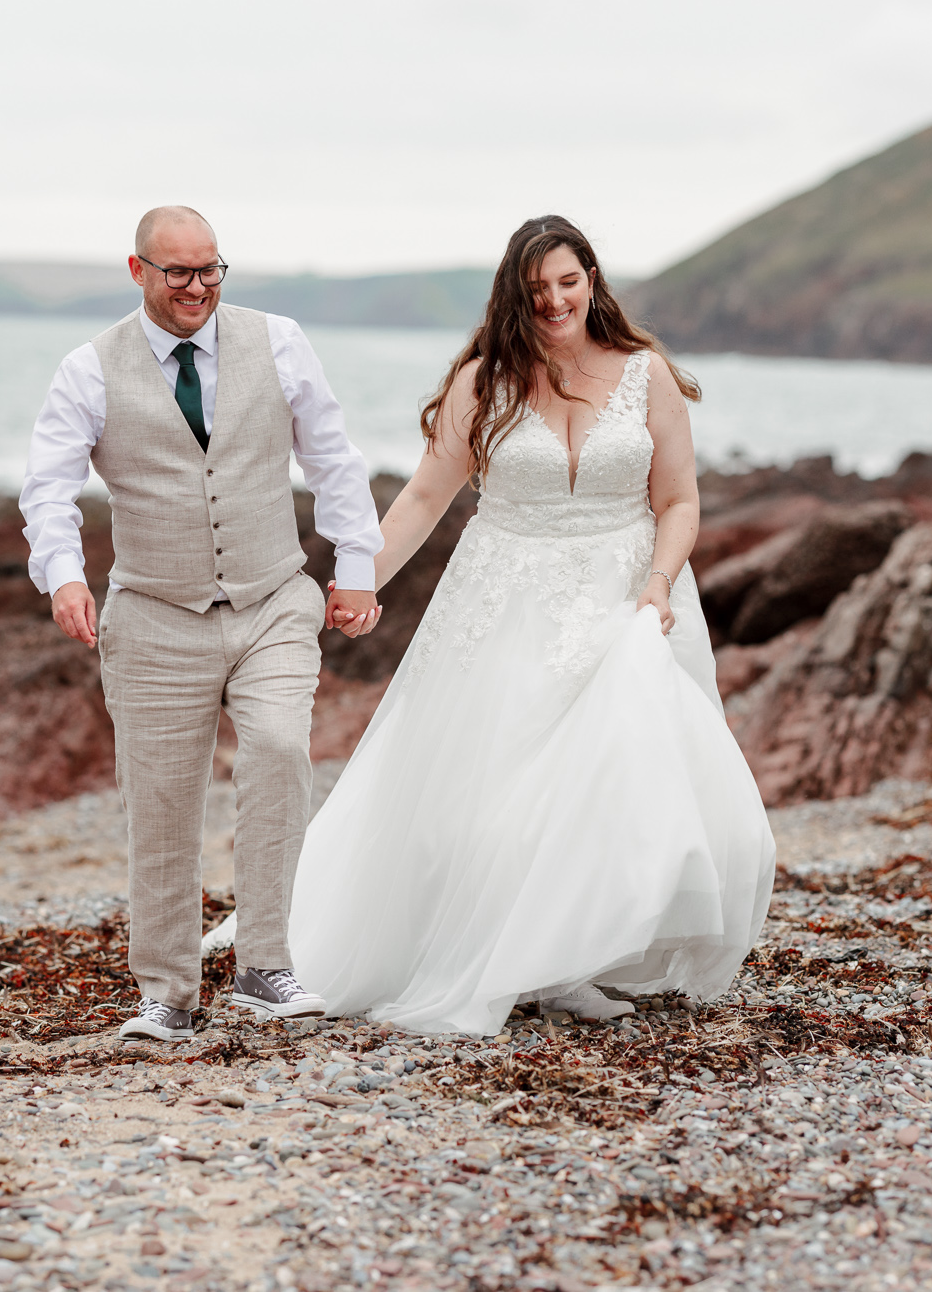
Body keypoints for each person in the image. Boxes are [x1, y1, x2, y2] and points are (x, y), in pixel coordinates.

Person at [285, 214, 775, 1036]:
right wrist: (358, 579)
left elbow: (679, 499)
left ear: (592, 281)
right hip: (504, 597)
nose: (554, 301)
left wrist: (657, 585)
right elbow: (425, 497)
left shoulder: (645, 374)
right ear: (516, 292)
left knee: (618, 771)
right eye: (538, 287)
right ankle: (512, 953)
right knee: (498, 786)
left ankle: (569, 956)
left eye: (569, 282)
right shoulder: (485, 381)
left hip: (628, 593)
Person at [20, 206, 384, 1041]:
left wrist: (355, 568)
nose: (197, 289)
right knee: (161, 804)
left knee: (280, 752)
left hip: (272, 602)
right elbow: (47, 487)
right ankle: (168, 994)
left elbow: (332, 456)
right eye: (179, 272)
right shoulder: (89, 368)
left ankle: (264, 965)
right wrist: (65, 577)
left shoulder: (279, 341)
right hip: (152, 617)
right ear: (138, 269)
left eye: (212, 270)